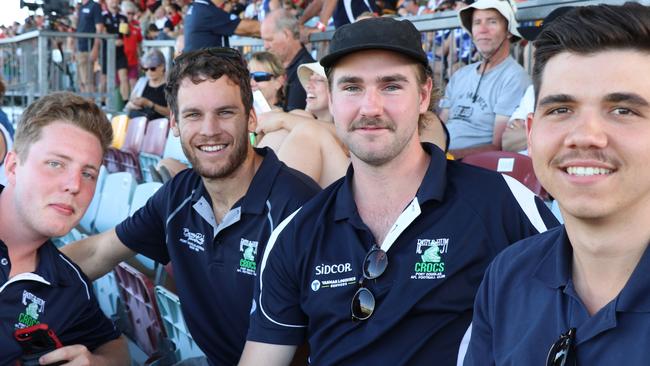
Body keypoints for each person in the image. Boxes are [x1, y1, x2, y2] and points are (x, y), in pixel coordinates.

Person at [239, 17, 558, 366]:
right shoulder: (297, 232)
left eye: (391, 86)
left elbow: (581, 317)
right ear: (331, 100)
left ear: (423, 96)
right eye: (351, 87)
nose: (371, 107)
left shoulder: (501, 203)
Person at [62, 48, 321, 365]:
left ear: (251, 117)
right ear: (174, 123)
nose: (209, 130)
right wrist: (20, 278)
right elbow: (98, 252)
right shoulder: (179, 195)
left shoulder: (296, 207)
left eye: (225, 112)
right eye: (193, 115)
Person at [464, 3, 650, 365]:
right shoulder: (507, 276)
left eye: (623, 110)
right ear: (532, 135)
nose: (585, 136)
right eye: (561, 110)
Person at [0, 92, 128, 365]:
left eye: (88, 173)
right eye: (56, 164)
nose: (74, 185)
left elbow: (115, 347)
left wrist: (97, 363)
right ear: (12, 167)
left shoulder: (68, 285)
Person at [439, 0, 529, 158]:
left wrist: (447, 157)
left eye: (492, 22)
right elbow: (440, 127)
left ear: (508, 31)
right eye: (477, 23)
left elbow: (498, 146)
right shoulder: (460, 75)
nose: (482, 30)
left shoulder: (514, 77)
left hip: (471, 165)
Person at [261, 9, 315, 111]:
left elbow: (293, 119)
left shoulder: (305, 70)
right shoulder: (289, 66)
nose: (265, 46)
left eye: (269, 40)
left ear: (286, 34)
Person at [183, 0, 260, 52]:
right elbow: (253, 29)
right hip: (206, 71)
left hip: (199, 70)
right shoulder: (207, 11)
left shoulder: (197, 7)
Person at [125, 48, 170, 120]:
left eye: (152, 68)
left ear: (162, 67)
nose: (149, 72)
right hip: (137, 122)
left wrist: (149, 104)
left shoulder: (169, 86)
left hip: (158, 126)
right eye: (145, 69)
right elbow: (129, 104)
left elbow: (171, 112)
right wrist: (132, 105)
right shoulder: (142, 82)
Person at [102, 0, 131, 102]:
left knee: (124, 77)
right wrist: (112, 41)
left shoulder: (123, 17)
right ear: (106, 2)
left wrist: (125, 29)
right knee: (104, 79)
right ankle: (102, 103)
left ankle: (126, 103)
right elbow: (102, 32)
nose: (113, 1)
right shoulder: (103, 16)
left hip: (119, 52)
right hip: (106, 52)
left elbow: (126, 34)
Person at [75, 0, 105, 94]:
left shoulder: (95, 6)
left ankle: (90, 106)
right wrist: (74, 50)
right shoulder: (81, 8)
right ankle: (85, 106)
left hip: (88, 49)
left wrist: (95, 48)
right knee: (81, 82)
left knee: (88, 82)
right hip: (80, 49)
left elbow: (99, 29)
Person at [121, 1, 144, 90]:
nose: (130, 15)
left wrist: (140, 58)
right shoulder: (120, 24)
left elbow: (139, 43)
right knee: (122, 84)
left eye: (132, 13)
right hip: (122, 60)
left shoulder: (136, 25)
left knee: (134, 85)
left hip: (133, 60)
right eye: (128, 13)